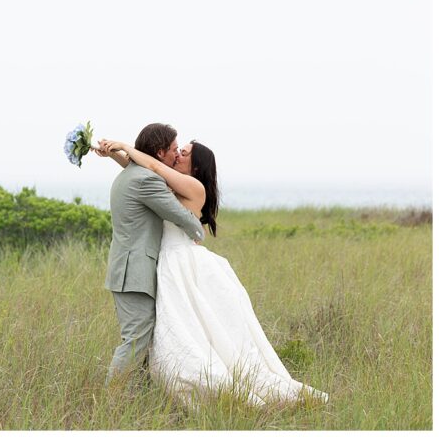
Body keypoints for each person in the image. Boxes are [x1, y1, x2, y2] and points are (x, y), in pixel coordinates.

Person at [96, 136, 328, 405]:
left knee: (189, 329)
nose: (178, 154)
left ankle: (214, 389)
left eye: (184, 153)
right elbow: (142, 171)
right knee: (182, 329)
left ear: (196, 166)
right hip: (169, 264)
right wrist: (114, 154)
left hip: (182, 263)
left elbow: (155, 168)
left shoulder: (193, 185)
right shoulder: (167, 182)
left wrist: (125, 146)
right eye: (177, 150)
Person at [99, 122, 205, 381]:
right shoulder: (147, 180)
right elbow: (180, 215)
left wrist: (116, 153)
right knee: (136, 339)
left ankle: (136, 394)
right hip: (133, 271)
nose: (176, 154)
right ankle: (110, 397)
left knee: (145, 338)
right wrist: (198, 231)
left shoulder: (133, 174)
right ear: (159, 153)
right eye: (173, 149)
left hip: (129, 269)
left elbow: (140, 166)